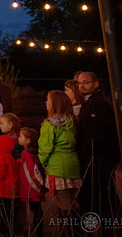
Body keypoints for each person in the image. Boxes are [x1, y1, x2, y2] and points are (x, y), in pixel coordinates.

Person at [76, 72, 120, 222]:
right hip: (93, 158)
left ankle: (110, 228)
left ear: (95, 84)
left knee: (103, 198)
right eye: (79, 83)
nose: (81, 86)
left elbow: (97, 134)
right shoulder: (88, 102)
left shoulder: (99, 104)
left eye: (85, 82)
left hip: (99, 159)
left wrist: (89, 153)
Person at [38, 90, 81, 226]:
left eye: (48, 101)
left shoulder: (49, 124)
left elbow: (45, 148)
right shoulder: (71, 121)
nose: (46, 103)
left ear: (54, 104)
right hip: (73, 165)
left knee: (64, 206)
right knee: (74, 203)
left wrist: (43, 163)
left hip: (57, 167)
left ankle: (70, 232)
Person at [16, 127, 45, 237]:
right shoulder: (27, 153)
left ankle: (37, 231)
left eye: (21, 137)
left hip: (32, 188)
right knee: (35, 210)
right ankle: (36, 230)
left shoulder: (28, 155)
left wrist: (39, 185)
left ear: (28, 141)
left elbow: (34, 171)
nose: (18, 138)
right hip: (31, 187)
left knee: (35, 210)